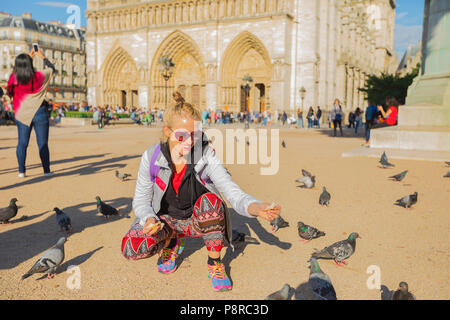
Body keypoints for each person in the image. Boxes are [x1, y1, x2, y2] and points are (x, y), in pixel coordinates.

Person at [121, 91, 281, 292]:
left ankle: (214, 263)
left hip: (198, 221)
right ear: (168, 131)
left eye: (195, 135)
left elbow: (232, 191)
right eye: (182, 135)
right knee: (132, 247)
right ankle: (171, 243)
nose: (189, 142)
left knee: (211, 202)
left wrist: (255, 207)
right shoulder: (151, 157)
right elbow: (141, 200)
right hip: (166, 223)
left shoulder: (205, 155)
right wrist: (148, 219)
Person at [7, 49, 55, 178]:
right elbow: (51, 68)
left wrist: (27, 57)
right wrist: (42, 56)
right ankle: (46, 171)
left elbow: (9, 91)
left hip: (22, 113)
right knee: (43, 143)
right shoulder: (39, 76)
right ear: (30, 64)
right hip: (40, 112)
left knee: (22, 143)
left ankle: (21, 171)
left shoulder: (14, 78)